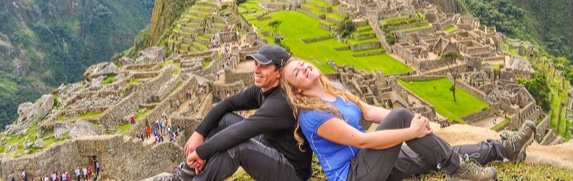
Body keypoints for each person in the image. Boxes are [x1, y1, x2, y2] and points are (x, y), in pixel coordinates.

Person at [280, 57, 537, 181]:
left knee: (435, 153)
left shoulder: (334, 88)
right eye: (297, 73)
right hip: (354, 174)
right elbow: (363, 140)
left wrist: (416, 121)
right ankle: (457, 171)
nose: (303, 68)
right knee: (401, 116)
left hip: (373, 163)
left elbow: (368, 112)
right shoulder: (312, 116)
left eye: (302, 64)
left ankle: (504, 149)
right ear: (297, 89)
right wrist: (409, 129)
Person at [154, 44, 313, 181]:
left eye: (263, 66)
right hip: (270, 146)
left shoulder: (281, 102)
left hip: (292, 172)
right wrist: (199, 133)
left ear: (279, 72)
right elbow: (226, 104)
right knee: (224, 119)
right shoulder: (262, 90)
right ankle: (186, 174)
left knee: (238, 146)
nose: (256, 70)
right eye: (255, 63)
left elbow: (240, 132)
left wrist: (201, 152)